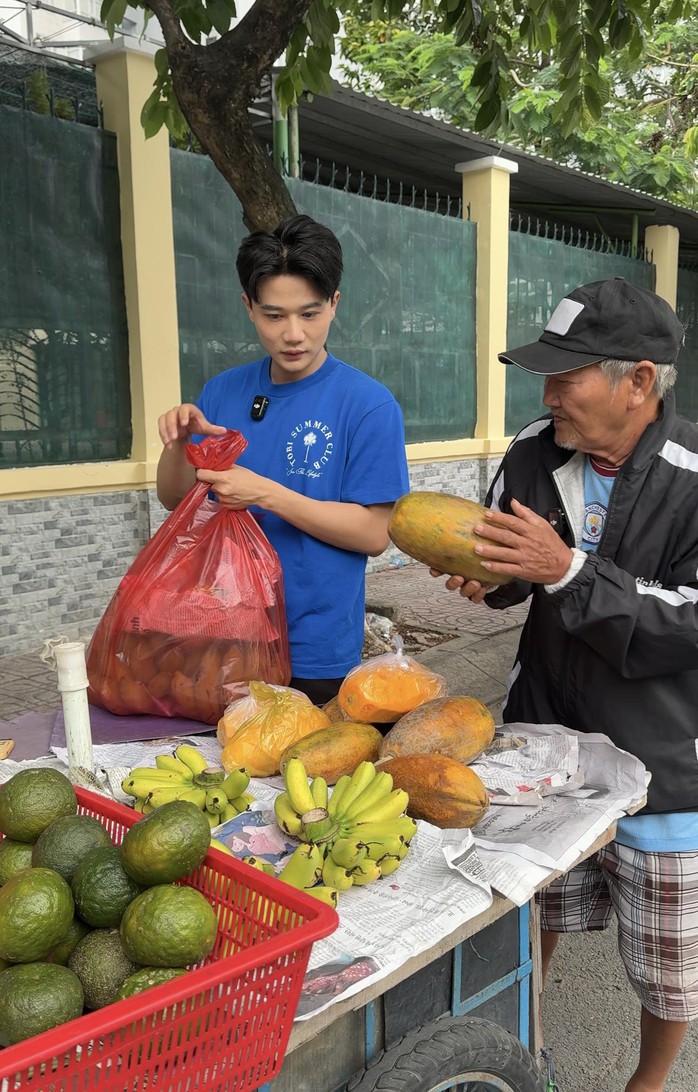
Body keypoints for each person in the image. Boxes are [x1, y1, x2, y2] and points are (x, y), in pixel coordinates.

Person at [435, 278, 693, 1092]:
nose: (548, 396)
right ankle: (523, 1041)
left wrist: (570, 569)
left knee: (668, 959)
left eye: (566, 377)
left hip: (662, 757)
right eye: (544, 377)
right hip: (544, 732)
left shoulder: (694, 475)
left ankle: (647, 1083)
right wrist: (495, 580)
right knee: (527, 913)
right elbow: (518, 571)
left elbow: (688, 623)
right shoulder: (532, 451)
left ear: (639, 381)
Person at [157, 213, 410, 705]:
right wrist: (175, 444)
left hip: (312, 649)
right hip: (221, 636)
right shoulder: (223, 391)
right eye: (274, 316)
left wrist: (266, 494)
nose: (293, 334)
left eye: (309, 314)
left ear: (334, 305)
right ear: (249, 307)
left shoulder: (367, 404)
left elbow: (375, 533)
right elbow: (175, 498)